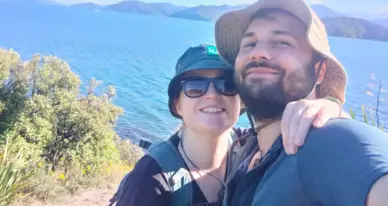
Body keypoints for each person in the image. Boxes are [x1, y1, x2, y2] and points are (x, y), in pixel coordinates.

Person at [214, 0, 388, 206]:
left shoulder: (331, 139)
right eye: (249, 43)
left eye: (282, 42)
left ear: (319, 71)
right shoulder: (250, 150)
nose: (258, 52)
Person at [110, 43, 348, 206]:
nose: (212, 94)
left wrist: (330, 107)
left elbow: (313, 130)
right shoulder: (152, 180)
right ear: (177, 105)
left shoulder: (255, 147)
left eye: (227, 84)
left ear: (241, 99)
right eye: (195, 86)